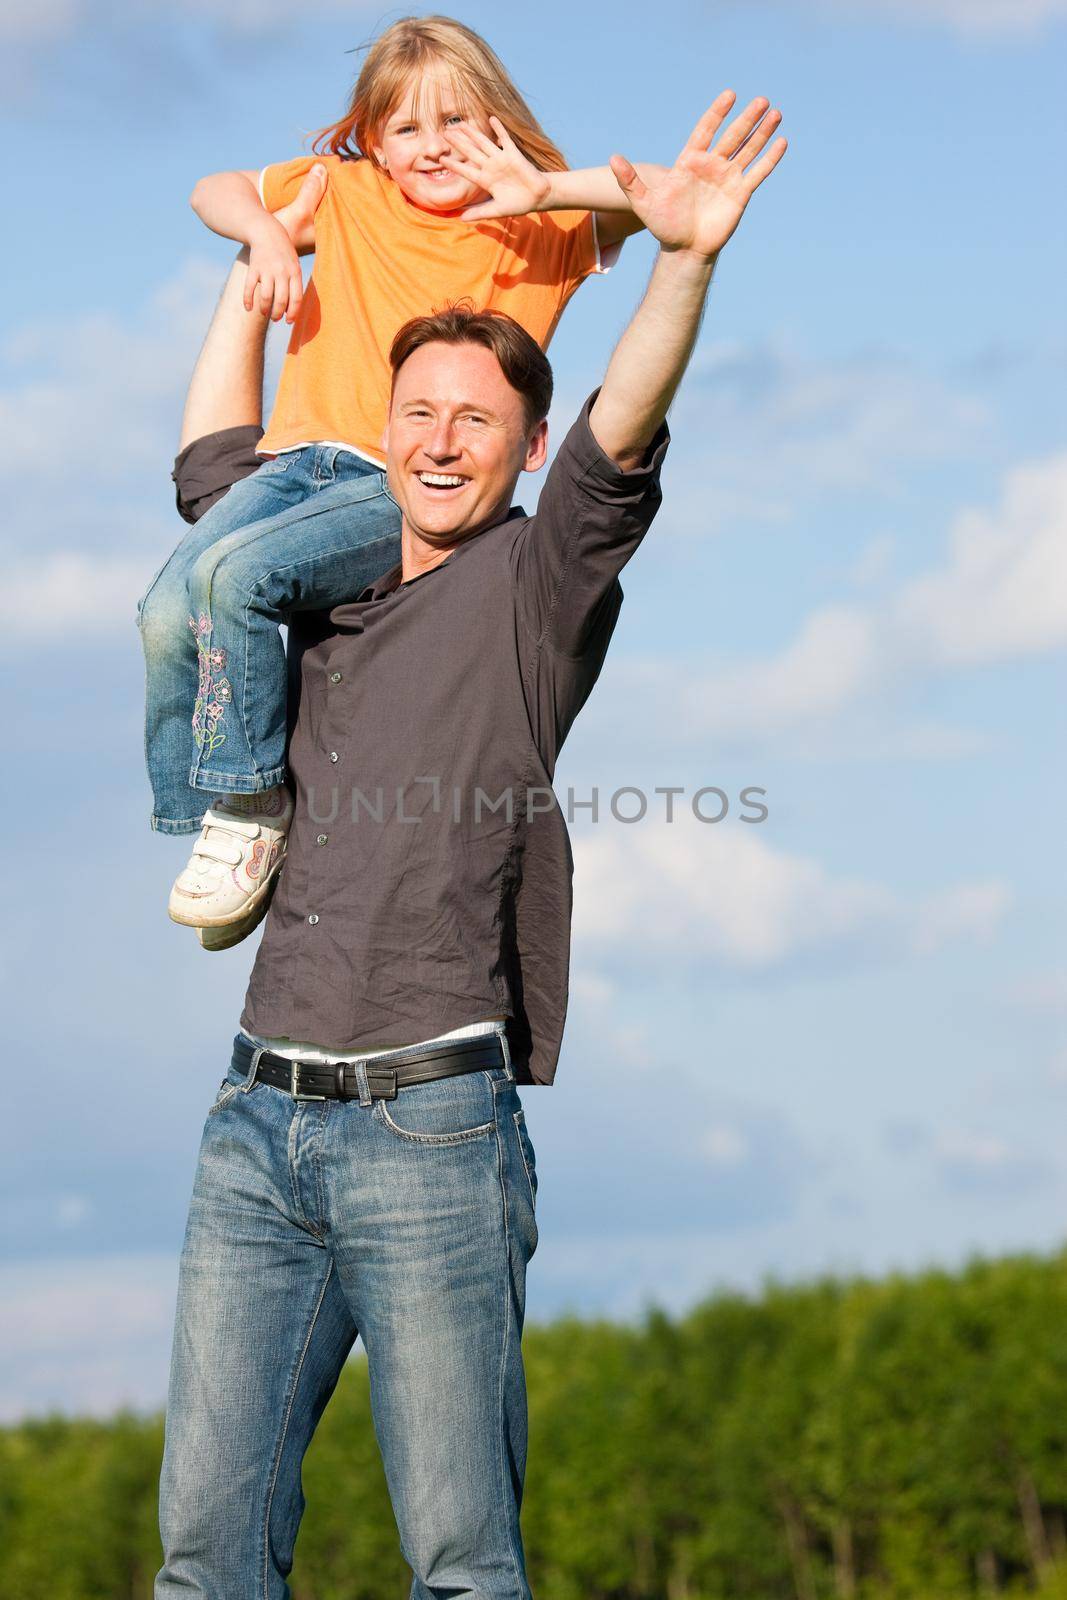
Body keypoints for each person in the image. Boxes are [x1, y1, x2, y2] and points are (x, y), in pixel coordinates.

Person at [154, 92, 787, 1599]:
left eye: (476, 423)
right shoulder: (303, 569)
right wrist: (251, 276)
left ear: (525, 445)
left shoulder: (532, 581)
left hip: (429, 1133)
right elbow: (203, 467)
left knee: (460, 1565)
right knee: (202, 1565)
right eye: (418, 414)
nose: (440, 444)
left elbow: (622, 434)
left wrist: (679, 264)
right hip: (251, 1131)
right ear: (379, 430)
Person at [136, 13, 667, 934]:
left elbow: (658, 197)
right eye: (407, 127)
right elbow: (209, 189)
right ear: (373, 137)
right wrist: (265, 235)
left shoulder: (540, 228)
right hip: (292, 463)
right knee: (164, 607)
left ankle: (252, 805)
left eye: (457, 120)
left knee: (237, 578)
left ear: (497, 121)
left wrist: (540, 182)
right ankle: (209, 809)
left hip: (399, 482)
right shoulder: (347, 193)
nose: (431, 147)